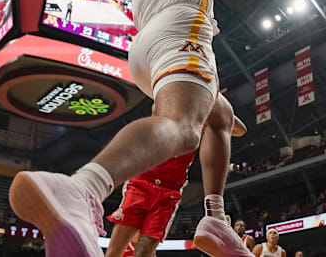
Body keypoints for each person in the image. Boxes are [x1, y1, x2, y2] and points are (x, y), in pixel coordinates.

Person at [8, 0, 245, 257]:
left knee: (221, 116)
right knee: (181, 128)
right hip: (181, 28)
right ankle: (82, 187)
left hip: (143, 54)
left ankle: (215, 217)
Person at [106, 99, 247, 257]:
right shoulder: (172, 95)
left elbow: (239, 129)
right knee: (115, 251)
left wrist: (212, 102)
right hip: (143, 181)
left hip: (170, 191)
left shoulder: (202, 116)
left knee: (145, 252)